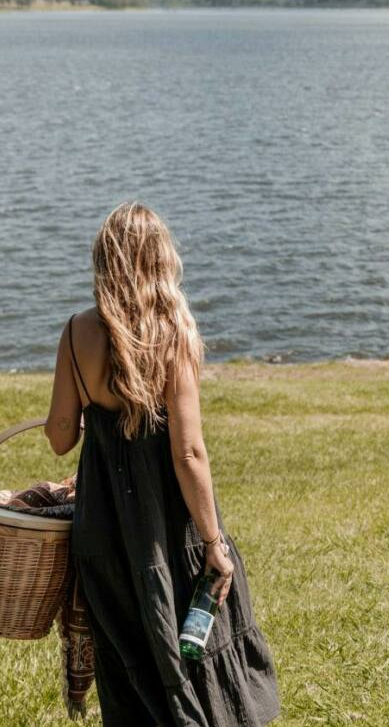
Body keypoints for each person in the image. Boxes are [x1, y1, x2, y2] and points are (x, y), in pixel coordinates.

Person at [44, 202, 279, 726]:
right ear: (159, 259)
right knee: (198, 640)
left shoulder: (75, 332)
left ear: (105, 261)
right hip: (170, 529)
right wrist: (214, 543)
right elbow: (188, 452)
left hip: (105, 528)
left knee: (128, 657)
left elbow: (60, 438)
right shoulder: (173, 331)